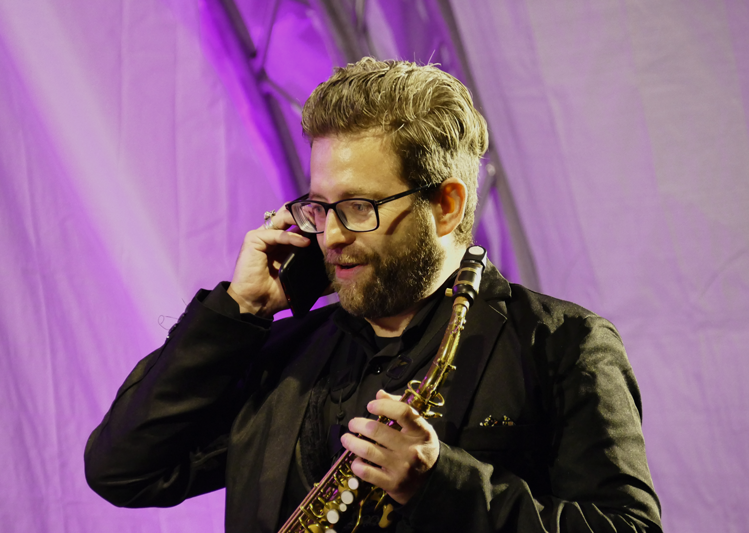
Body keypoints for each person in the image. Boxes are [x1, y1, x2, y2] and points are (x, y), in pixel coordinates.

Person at [85, 58, 663, 532]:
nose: (331, 236)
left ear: (446, 206)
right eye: (320, 208)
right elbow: (123, 471)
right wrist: (238, 312)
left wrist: (443, 485)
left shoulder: (561, 344)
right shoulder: (283, 356)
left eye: (359, 207)